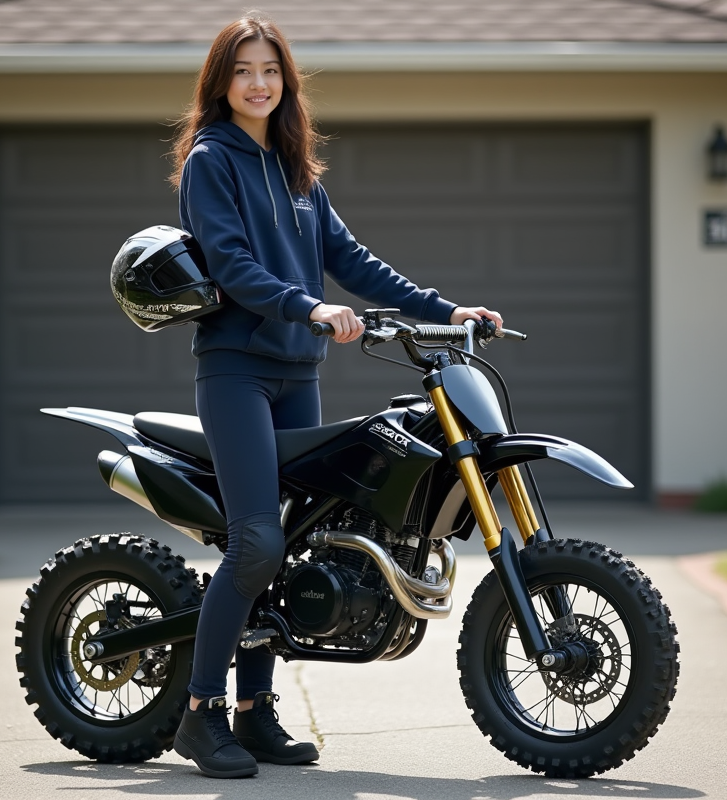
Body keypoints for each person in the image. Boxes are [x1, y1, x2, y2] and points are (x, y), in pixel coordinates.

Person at [168, 15, 503, 779]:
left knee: (289, 549)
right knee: (255, 541)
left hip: (297, 372)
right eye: (244, 70)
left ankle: (254, 713)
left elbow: (351, 258)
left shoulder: (296, 172)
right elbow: (232, 265)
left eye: (271, 71)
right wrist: (308, 307)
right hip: (237, 370)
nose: (259, 83)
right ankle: (199, 713)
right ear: (222, 81)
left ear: (286, 83)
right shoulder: (210, 163)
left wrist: (442, 310)